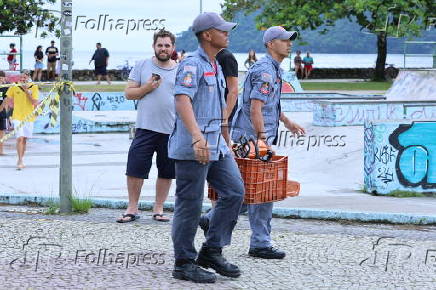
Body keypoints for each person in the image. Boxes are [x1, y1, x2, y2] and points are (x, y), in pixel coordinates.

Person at [202, 26, 306, 260]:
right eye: (284, 40)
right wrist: (262, 141)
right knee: (264, 190)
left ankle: (211, 219)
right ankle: (260, 242)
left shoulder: (273, 70)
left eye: (290, 40)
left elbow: (269, 105)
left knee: (253, 190)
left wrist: (288, 122)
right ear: (270, 43)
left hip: (255, 137)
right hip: (251, 138)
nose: (289, 44)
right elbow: (256, 108)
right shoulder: (265, 72)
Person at [168, 12, 244, 284]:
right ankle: (184, 263)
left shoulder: (216, 64)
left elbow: (218, 107)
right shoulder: (192, 64)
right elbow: (182, 100)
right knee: (189, 204)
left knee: (235, 192)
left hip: (217, 144)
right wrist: (197, 137)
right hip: (194, 146)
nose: (228, 33)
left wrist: (226, 138)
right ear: (207, 35)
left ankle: (211, 250)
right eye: (222, 30)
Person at [116, 30, 178, 223]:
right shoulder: (142, 65)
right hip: (145, 127)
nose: (163, 48)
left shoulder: (180, 68)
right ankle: (132, 208)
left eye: (167, 45)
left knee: (166, 171)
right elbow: (128, 93)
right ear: (154, 46)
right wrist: (147, 88)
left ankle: (158, 209)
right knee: (135, 168)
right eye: (160, 45)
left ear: (172, 48)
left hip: (171, 129)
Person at [3, 70, 39, 169]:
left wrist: (26, 91)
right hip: (17, 116)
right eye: (21, 77)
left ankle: (21, 158)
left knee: (24, 140)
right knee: (19, 138)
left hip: (29, 117)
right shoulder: (14, 86)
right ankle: (20, 160)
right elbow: (7, 99)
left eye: (24, 77)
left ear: (28, 77)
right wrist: (5, 112)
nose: (22, 79)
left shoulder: (34, 87)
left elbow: (34, 102)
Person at [216, 48, 238, 129]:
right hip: (214, 113)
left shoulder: (226, 57)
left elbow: (233, 91)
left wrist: (224, 119)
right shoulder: (211, 57)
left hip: (225, 114)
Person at [0, 71, 9, 155]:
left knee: (1, 134)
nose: (1, 79)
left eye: (2, 78)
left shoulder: (5, 88)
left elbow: (5, 101)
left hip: (1, 113)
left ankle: (1, 151)